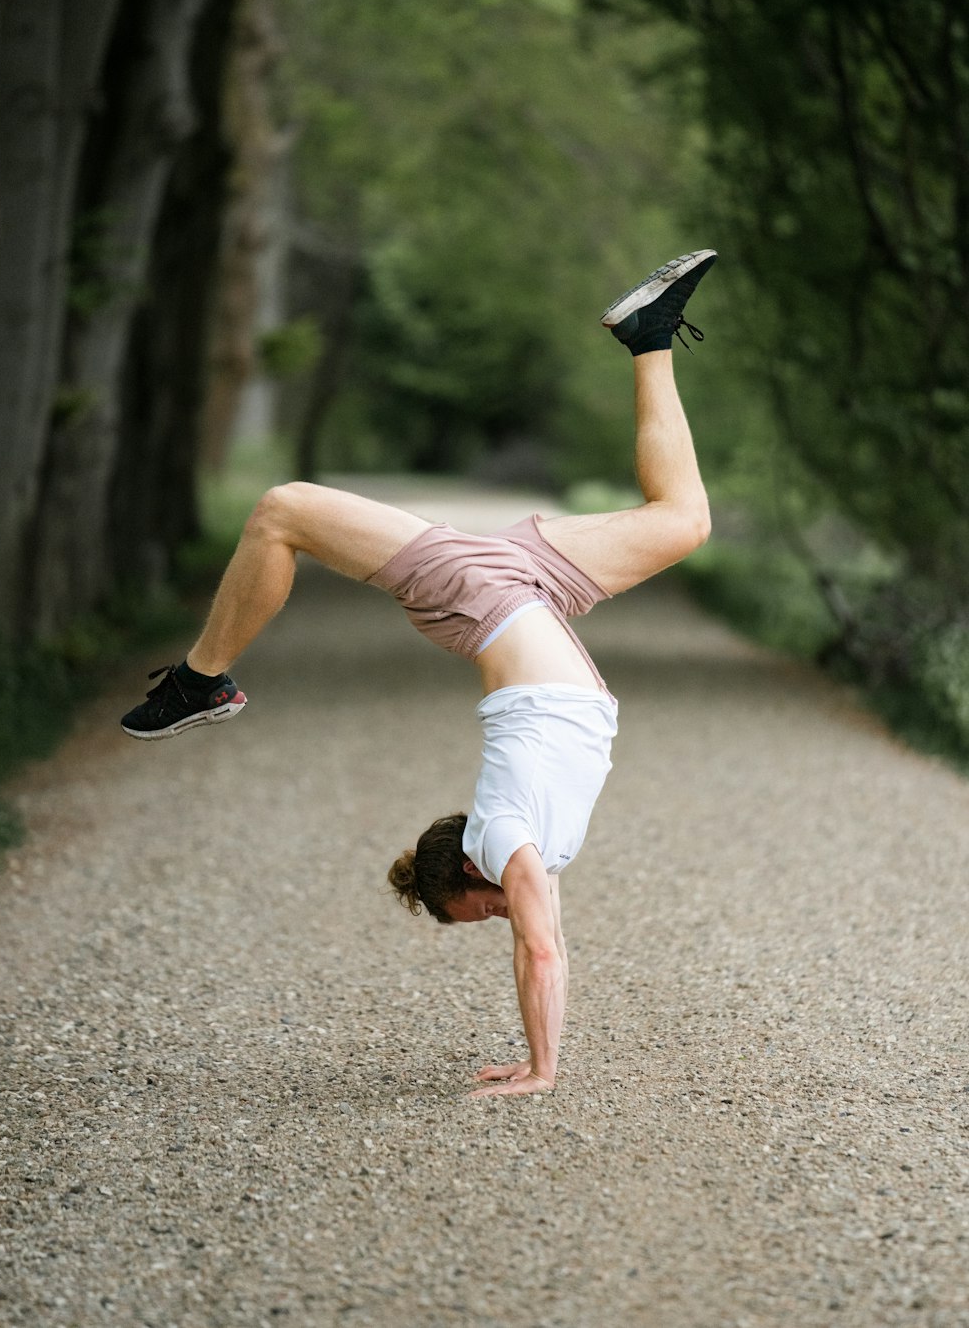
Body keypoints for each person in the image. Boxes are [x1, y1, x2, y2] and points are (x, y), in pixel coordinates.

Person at [121, 250, 717, 1099]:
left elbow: (539, 948)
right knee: (686, 520)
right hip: (526, 587)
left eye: (473, 913)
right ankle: (648, 336)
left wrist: (541, 1072)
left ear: (464, 877)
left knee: (282, 509)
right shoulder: (543, 850)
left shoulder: (502, 838)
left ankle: (199, 678)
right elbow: (544, 931)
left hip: (484, 596)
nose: (499, 917)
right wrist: (536, 1048)